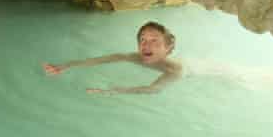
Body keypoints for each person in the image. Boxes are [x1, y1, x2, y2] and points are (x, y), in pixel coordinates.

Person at [42, 21, 182, 95]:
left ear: (168, 48)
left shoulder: (174, 70)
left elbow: (153, 89)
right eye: (142, 40)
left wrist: (112, 92)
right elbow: (109, 58)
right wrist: (66, 66)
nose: (146, 45)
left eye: (154, 40)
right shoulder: (138, 57)